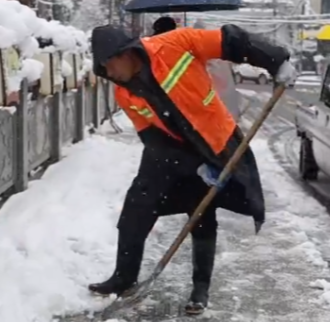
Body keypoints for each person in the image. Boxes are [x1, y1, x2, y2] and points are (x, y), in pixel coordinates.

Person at [88, 24, 293, 315]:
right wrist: (190, 166)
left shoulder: (176, 43)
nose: (109, 74)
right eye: (102, 69)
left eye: (109, 65)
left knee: (200, 211)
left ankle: (200, 288)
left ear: (125, 53)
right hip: (169, 149)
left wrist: (276, 61)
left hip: (213, 143)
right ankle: (124, 278)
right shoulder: (125, 93)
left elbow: (232, 40)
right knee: (136, 207)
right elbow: (151, 138)